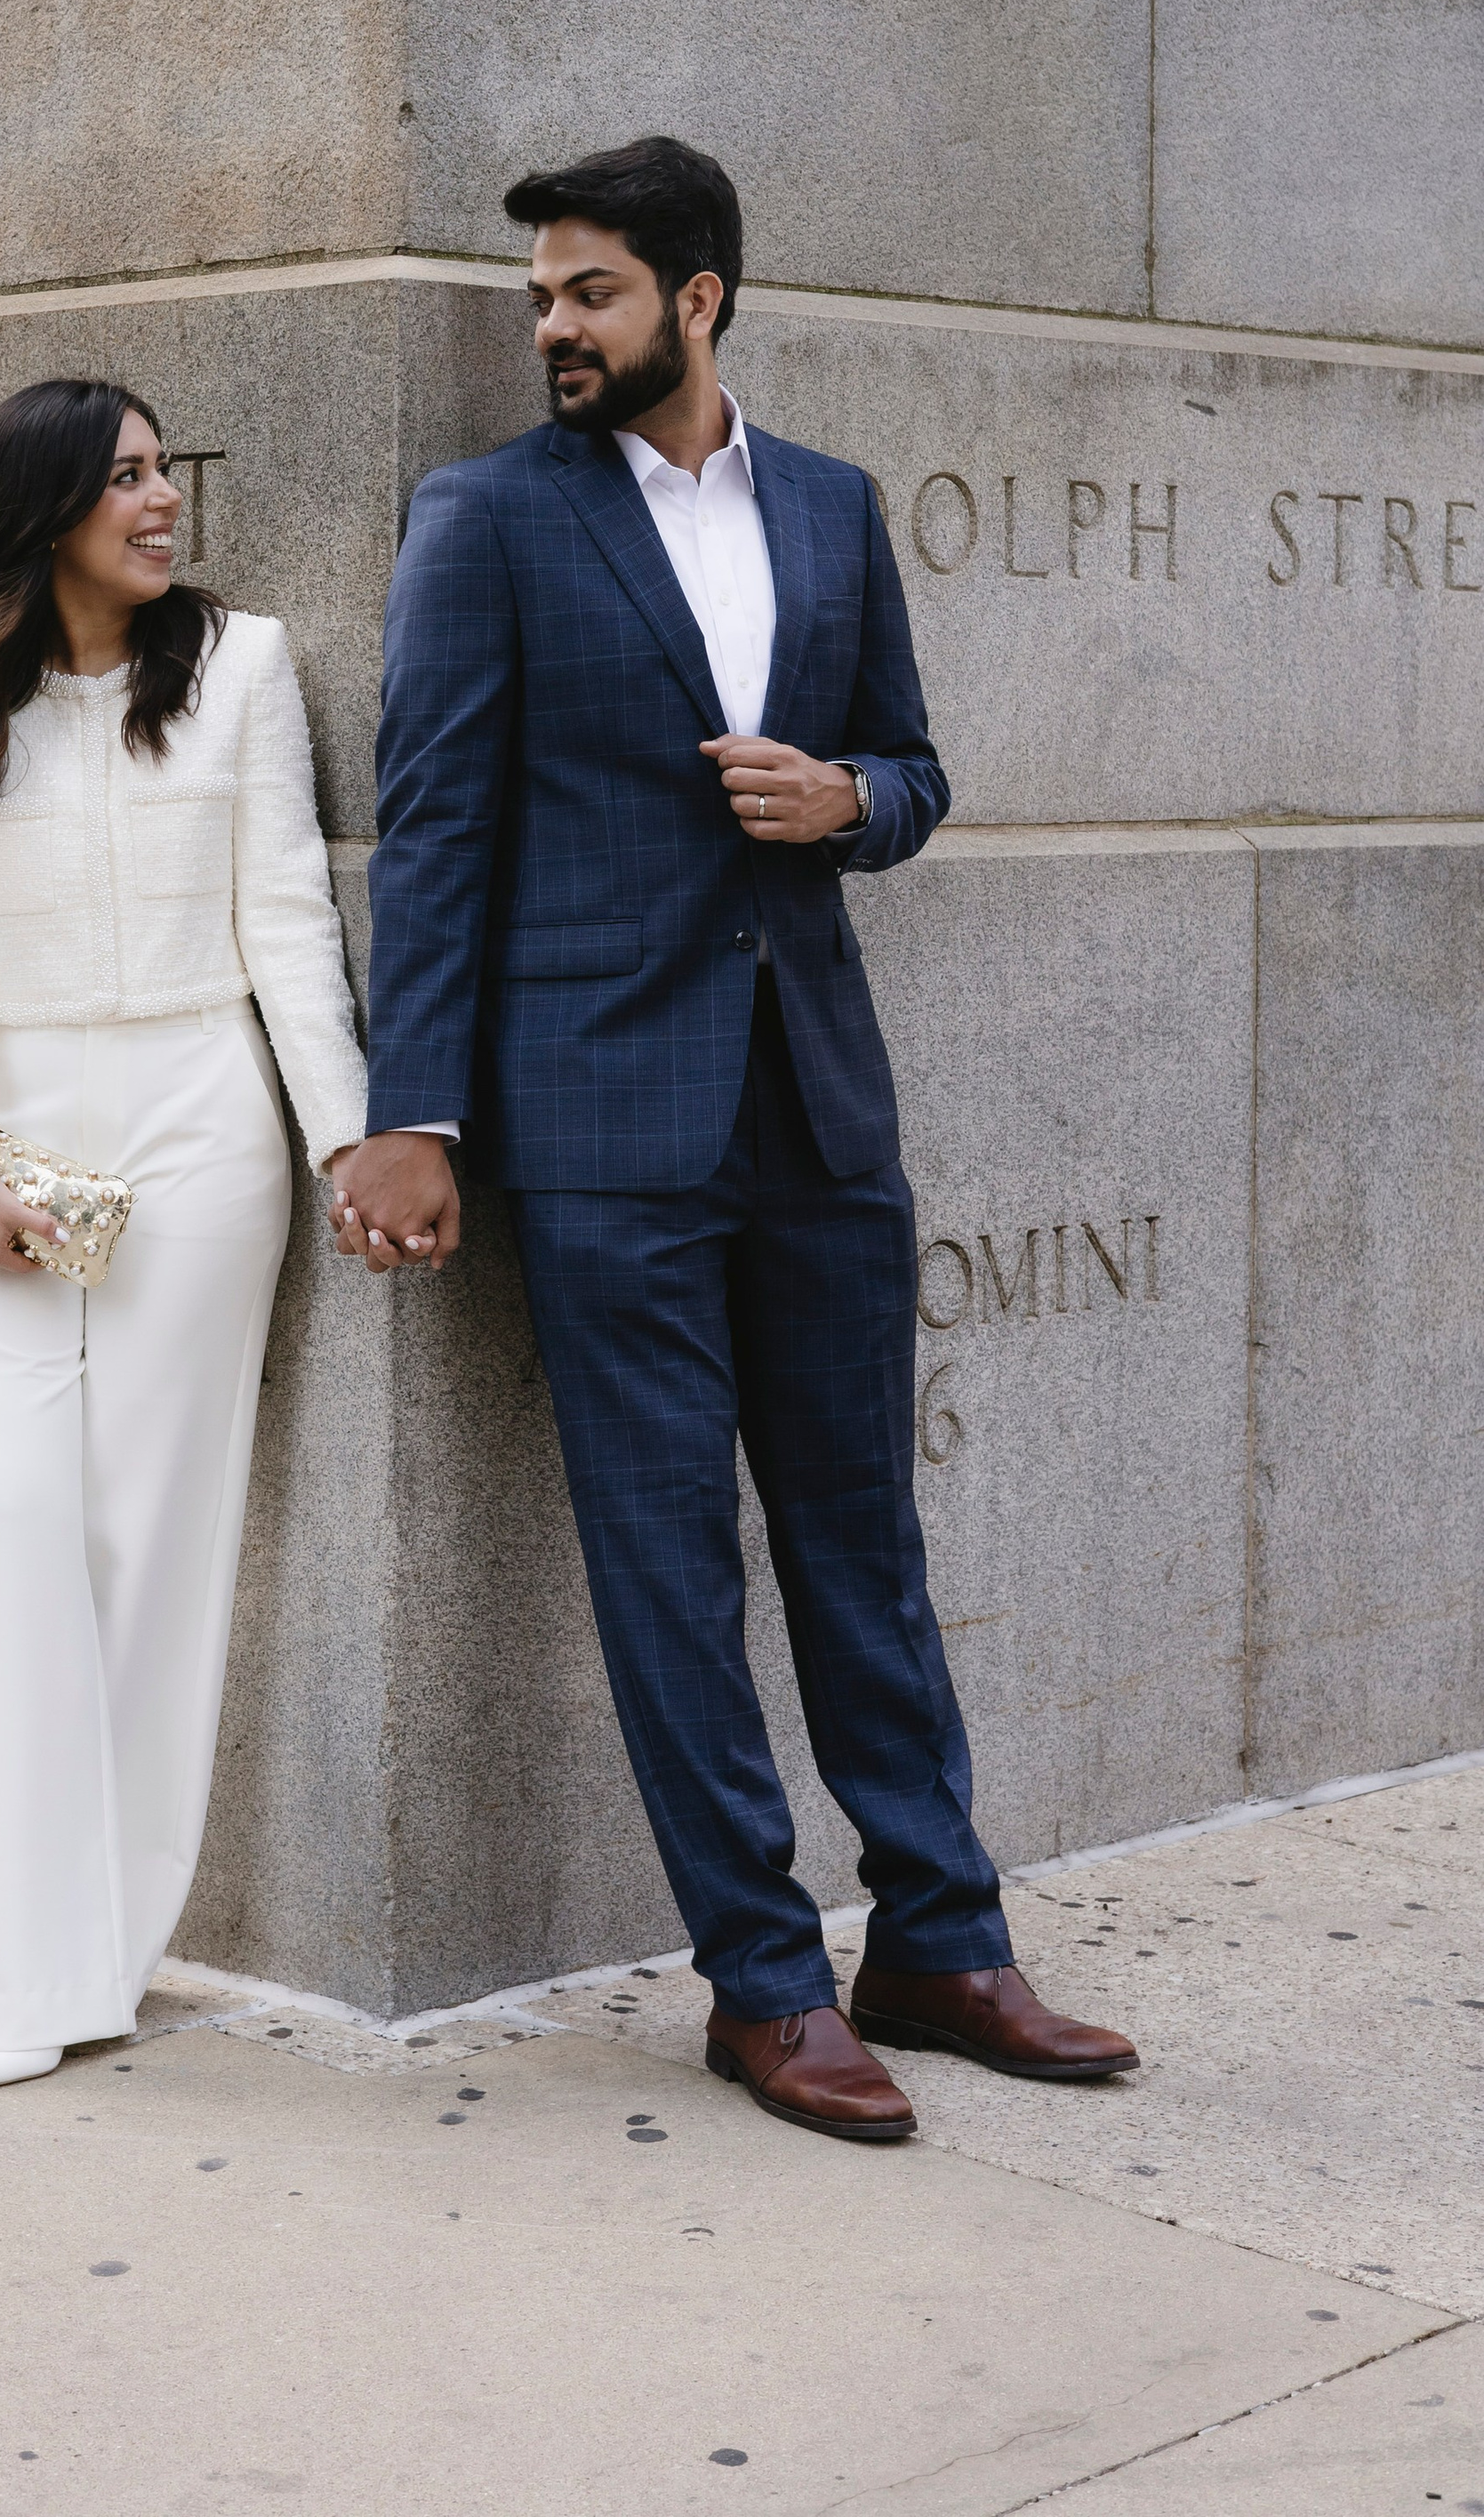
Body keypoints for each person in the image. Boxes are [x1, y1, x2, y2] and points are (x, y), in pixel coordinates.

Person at [330, 138, 1135, 2143]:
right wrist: (408, 1115)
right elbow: (430, 831)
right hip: (598, 1124)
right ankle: (761, 1983)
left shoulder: (837, 510)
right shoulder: (487, 517)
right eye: (539, 298)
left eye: (587, 293)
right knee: (670, 1560)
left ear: (697, 299)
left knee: (864, 1531)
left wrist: (846, 800)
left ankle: (939, 1941)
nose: (551, 329)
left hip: (816, 1114)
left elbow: (919, 766)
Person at [0, 377, 365, 2091]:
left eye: (166, 472)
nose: (163, 501)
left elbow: (290, 916)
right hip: (12, 1130)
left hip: (198, 1120)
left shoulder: (239, 667)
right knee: (20, 1519)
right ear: (46, 509)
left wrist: (346, 1138)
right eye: (128, 478)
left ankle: (87, 1961)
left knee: (156, 1547)